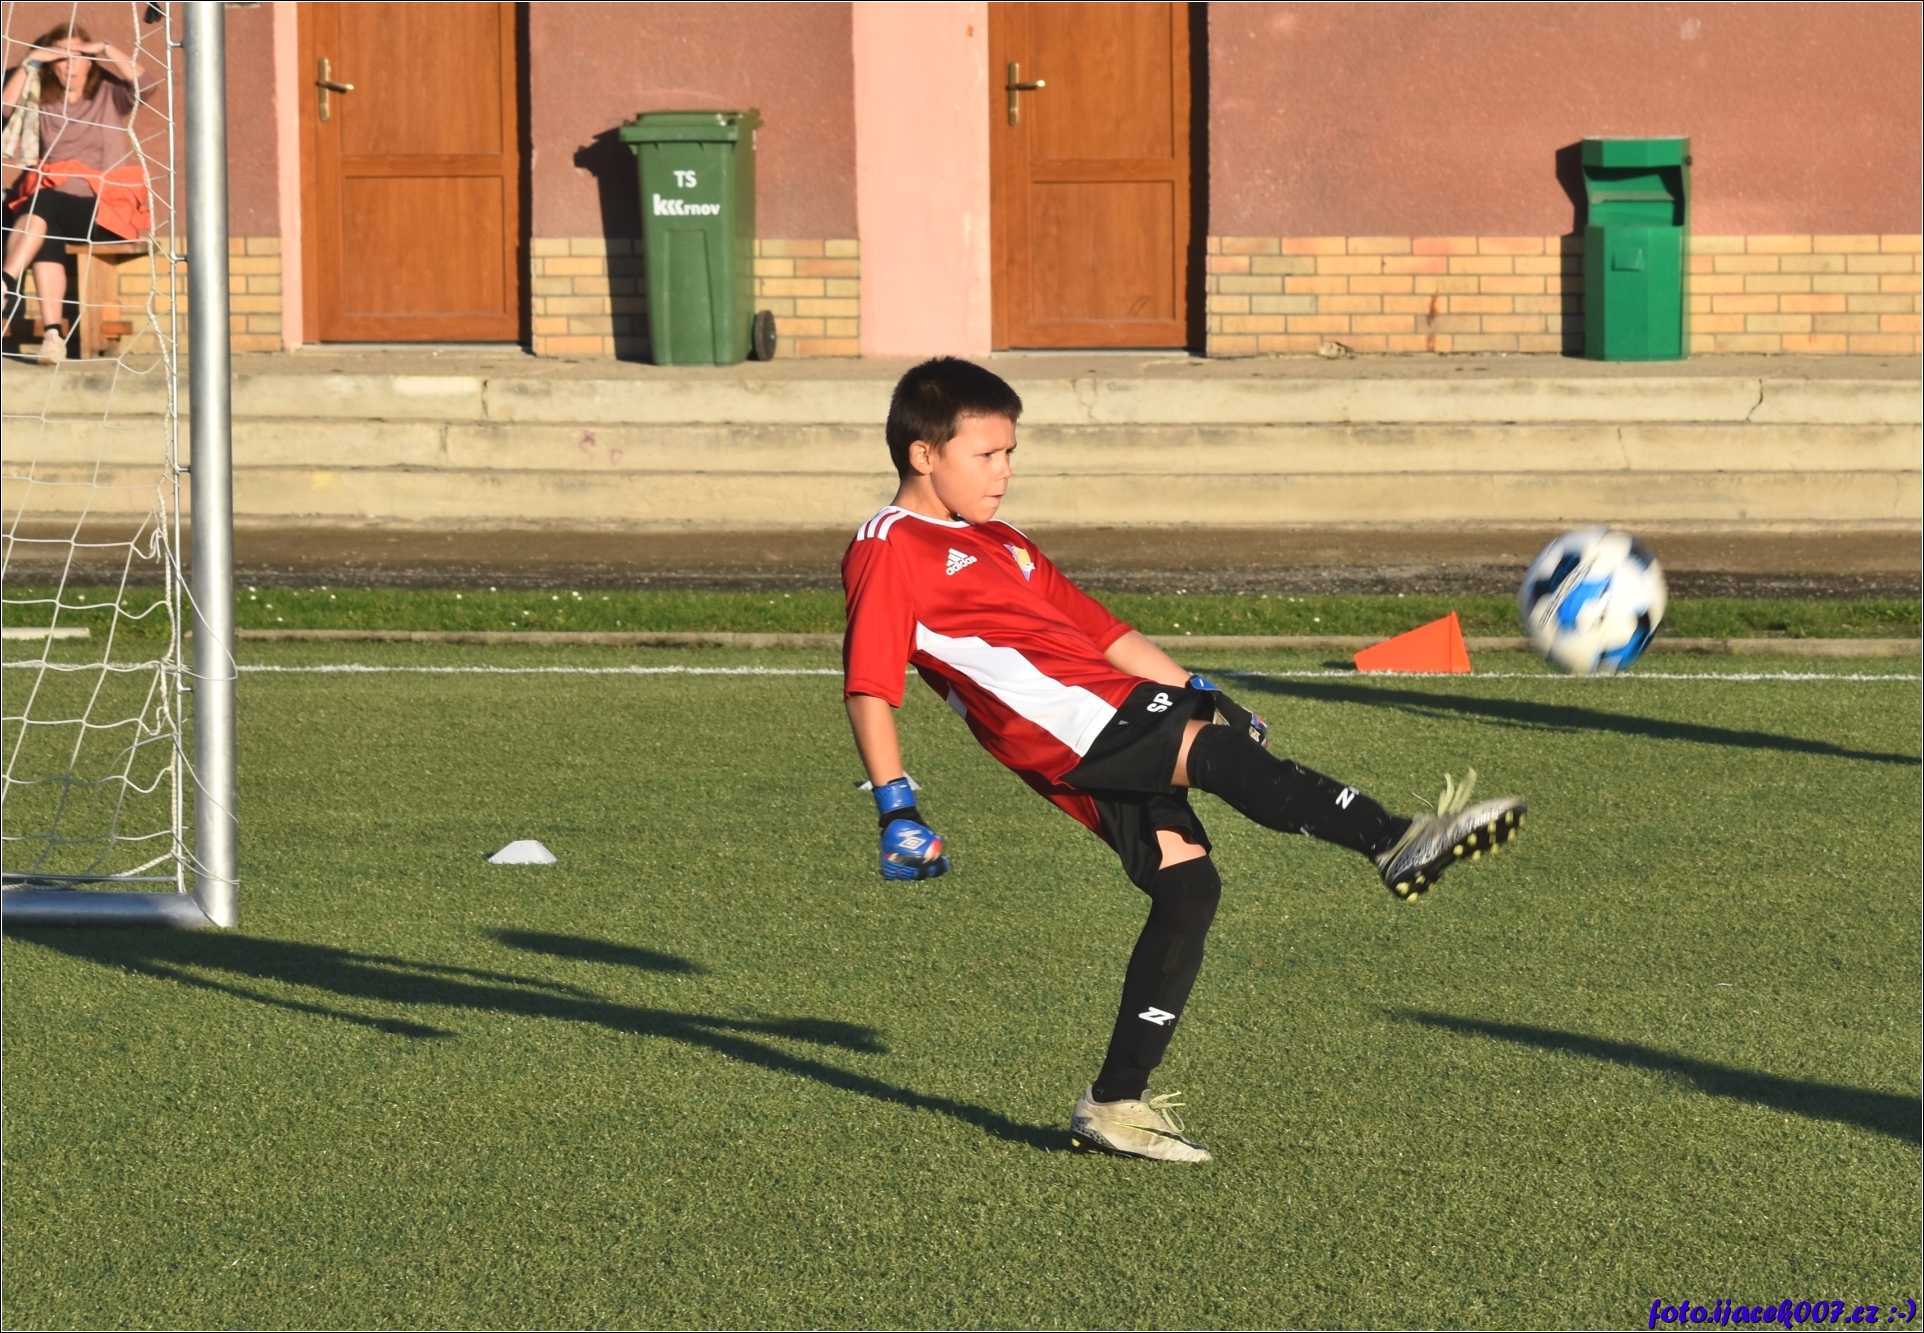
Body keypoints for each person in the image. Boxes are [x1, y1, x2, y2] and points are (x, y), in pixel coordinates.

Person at [841, 357, 1527, 1163]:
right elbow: (869, 683)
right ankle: (1394, 838)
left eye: (1011, 452)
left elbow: (1106, 634)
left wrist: (1203, 692)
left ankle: (1114, 1102)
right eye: (986, 454)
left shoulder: (1004, 541)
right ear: (924, 455)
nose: (1005, 471)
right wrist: (895, 804)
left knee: (1188, 885)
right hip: (1069, 726)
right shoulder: (889, 547)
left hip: (1105, 712)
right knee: (1215, 760)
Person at [1, 23, 156, 363]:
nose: (70, 64)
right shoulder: (41, 97)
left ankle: (3, 284)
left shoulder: (110, 93)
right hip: (54, 212)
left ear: (89, 61)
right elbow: (4, 110)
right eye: (61, 57)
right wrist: (31, 61)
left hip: (106, 211)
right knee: (45, 226)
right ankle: (53, 336)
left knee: (42, 201)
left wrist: (105, 48)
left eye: (78, 55)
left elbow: (146, 85)